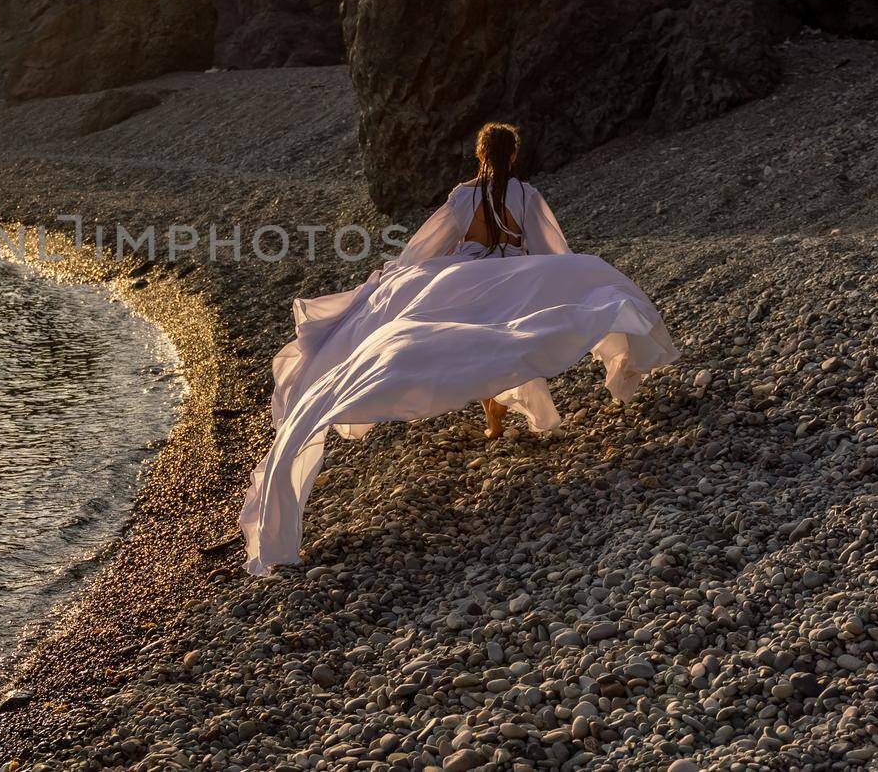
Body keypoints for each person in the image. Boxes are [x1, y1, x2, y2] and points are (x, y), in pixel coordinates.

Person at [240, 122, 679, 576]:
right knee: (505, 343)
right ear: (514, 155)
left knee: (478, 347)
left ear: (480, 154)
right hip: (512, 275)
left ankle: (494, 420)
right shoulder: (526, 195)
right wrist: (560, 278)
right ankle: (497, 418)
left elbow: (427, 246)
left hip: (465, 277)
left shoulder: (464, 196)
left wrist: (399, 273)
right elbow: (552, 247)